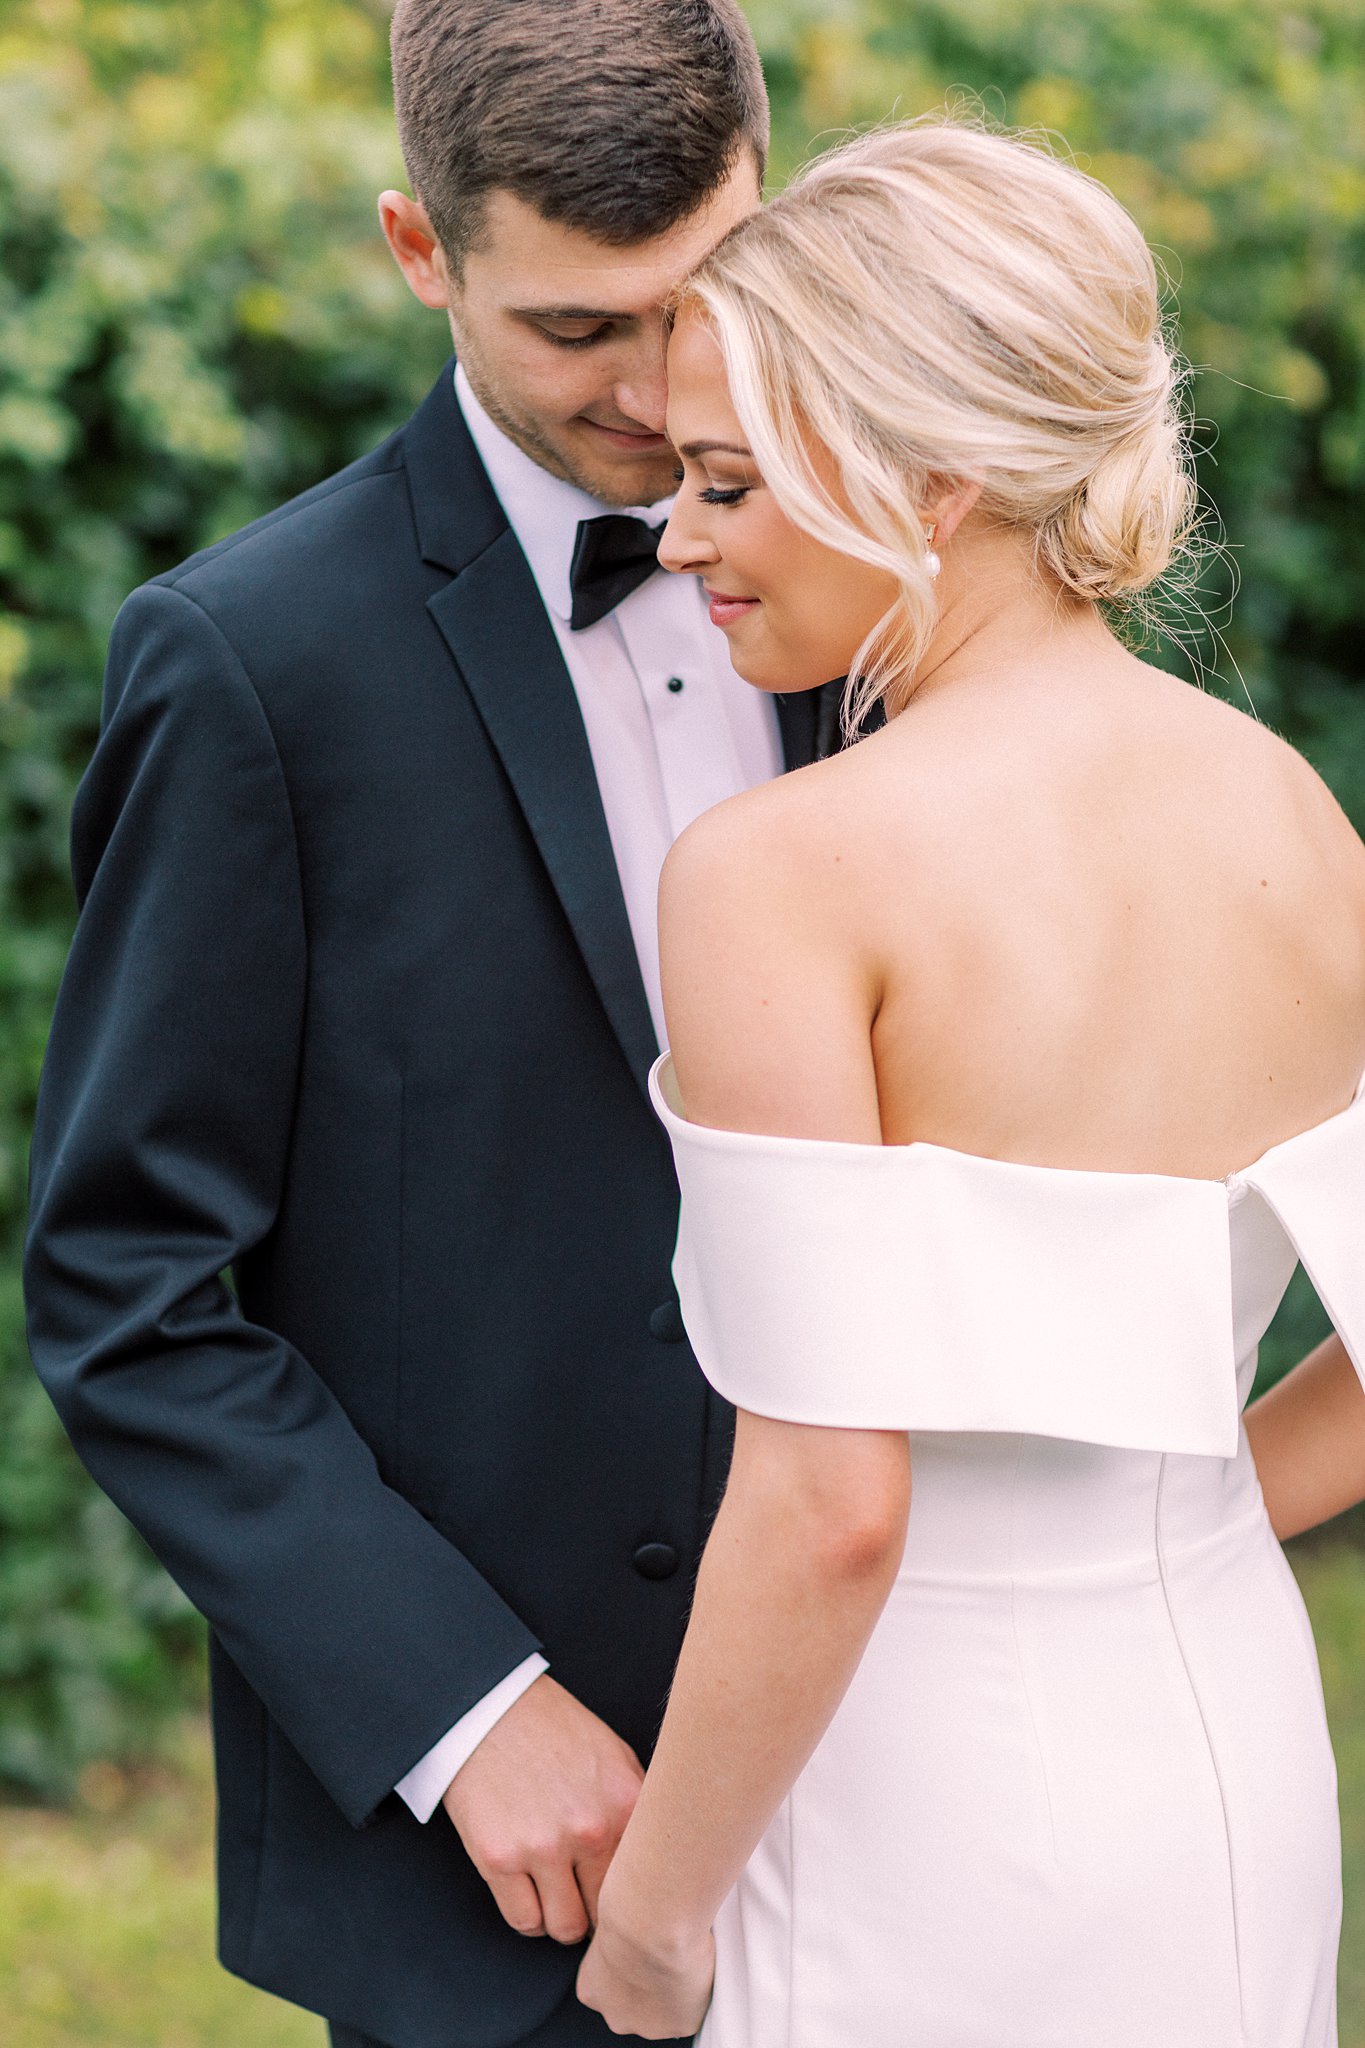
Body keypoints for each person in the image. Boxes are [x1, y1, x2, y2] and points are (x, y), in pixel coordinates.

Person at [21, 5, 845, 2046]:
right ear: (419, 250)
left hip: (908, 1771)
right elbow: (129, 1287)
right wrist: (461, 1710)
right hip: (514, 1864)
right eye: (576, 329)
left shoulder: (902, 595)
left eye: (699, 302)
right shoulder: (251, 664)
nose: (653, 391)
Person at [572, 117, 1365, 2046]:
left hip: (911, 1792)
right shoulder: (1289, 813)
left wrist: (655, 1926)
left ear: (929, 480)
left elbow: (831, 1506)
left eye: (728, 483)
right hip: (1229, 1754)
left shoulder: (779, 875)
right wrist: (1162, 1547)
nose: (678, 540)